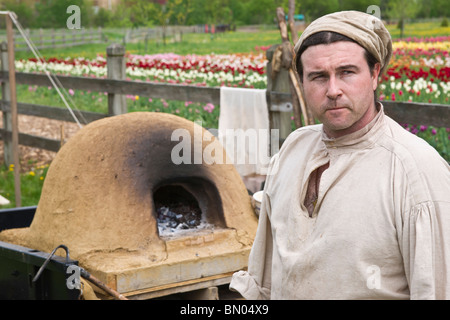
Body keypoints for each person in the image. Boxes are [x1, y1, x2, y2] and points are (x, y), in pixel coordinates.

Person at [229, 10, 450, 299]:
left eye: (347, 72)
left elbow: (435, 290)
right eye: (318, 77)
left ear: (374, 73)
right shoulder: (293, 149)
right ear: (302, 83)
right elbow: (265, 278)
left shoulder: (414, 170)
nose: (333, 90)